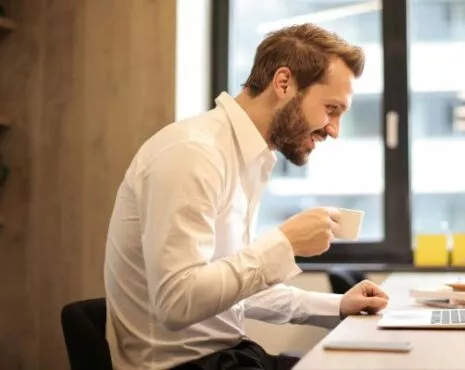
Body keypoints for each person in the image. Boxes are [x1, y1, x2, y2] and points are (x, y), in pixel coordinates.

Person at [103, 23, 390, 370]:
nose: (334, 130)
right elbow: (177, 302)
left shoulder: (251, 157)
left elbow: (230, 289)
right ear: (284, 84)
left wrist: (337, 306)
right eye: (331, 109)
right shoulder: (193, 153)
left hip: (226, 358)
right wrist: (283, 244)